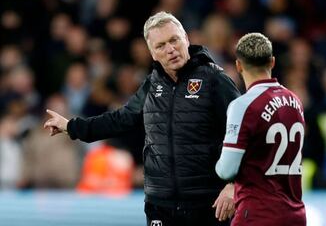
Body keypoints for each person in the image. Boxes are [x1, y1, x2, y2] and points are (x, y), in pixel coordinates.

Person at [44, 11, 240, 226]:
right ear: (152, 53)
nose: (170, 49)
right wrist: (71, 126)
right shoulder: (152, 85)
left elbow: (243, 133)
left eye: (174, 40)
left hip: (209, 204)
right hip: (160, 205)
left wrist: (233, 185)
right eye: (161, 45)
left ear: (186, 38)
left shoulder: (214, 80)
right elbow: (120, 119)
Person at [215, 33, 306, 226]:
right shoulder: (295, 101)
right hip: (295, 214)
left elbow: (226, 170)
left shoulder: (244, 106)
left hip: (258, 215)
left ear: (239, 65)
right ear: (272, 62)